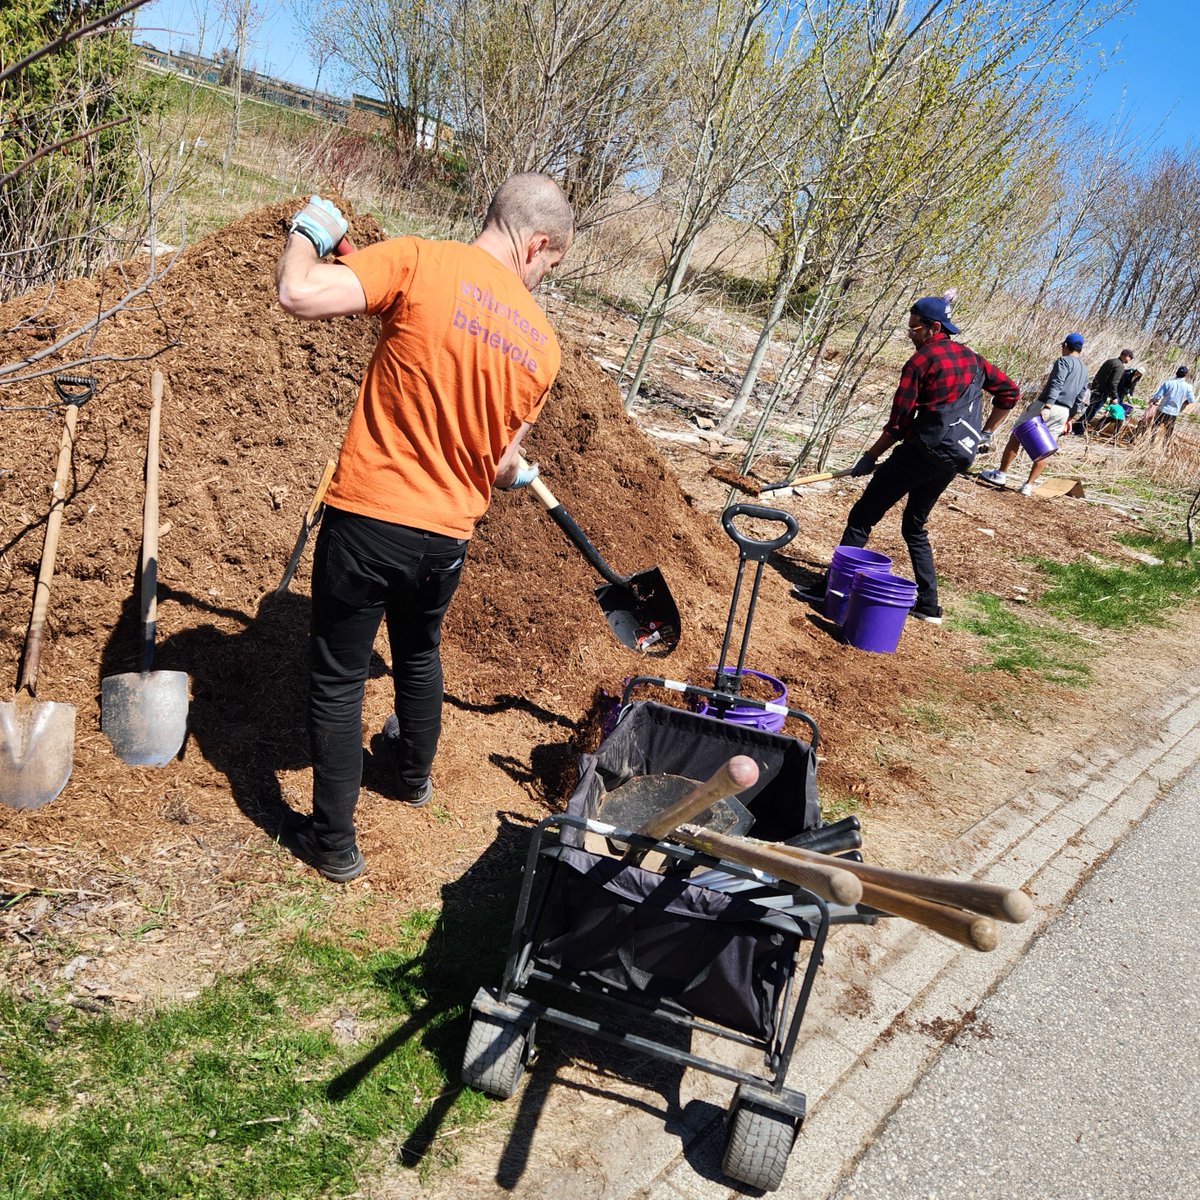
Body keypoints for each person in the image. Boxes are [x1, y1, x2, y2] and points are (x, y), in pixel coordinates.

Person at [274, 175, 575, 881]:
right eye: (550, 264)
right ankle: (410, 778)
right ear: (537, 243)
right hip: (446, 537)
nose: (542, 277)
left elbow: (299, 292)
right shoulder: (542, 344)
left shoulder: (418, 261)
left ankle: (333, 844)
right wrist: (518, 471)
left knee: (340, 679)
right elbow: (500, 465)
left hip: (371, 517)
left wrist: (307, 234)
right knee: (417, 652)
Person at [823, 295, 1020, 625]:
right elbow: (1010, 393)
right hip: (953, 457)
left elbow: (899, 424)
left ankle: (832, 592)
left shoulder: (920, 362)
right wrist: (985, 433)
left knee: (862, 516)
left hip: (920, 451)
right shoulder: (973, 359)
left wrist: (870, 457)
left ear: (934, 328)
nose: (910, 334)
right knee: (914, 525)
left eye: (914, 328)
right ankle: (928, 606)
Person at [979, 333, 1087, 496]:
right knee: (1046, 447)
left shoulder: (1064, 361)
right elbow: (1081, 395)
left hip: (1047, 405)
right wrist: (1070, 417)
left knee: (1017, 435)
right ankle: (1028, 486)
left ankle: (1001, 474)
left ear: (1065, 345)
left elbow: (1057, 382)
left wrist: (1048, 405)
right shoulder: (1084, 369)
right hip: (1064, 411)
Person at [1081, 347, 1133, 427]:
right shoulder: (1120, 366)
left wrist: (1094, 386)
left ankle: (1078, 427)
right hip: (1102, 392)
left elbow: (1098, 374)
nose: (1130, 360)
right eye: (1130, 358)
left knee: (1089, 411)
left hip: (1096, 389)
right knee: (1091, 412)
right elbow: (1114, 383)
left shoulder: (1110, 361)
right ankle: (1077, 428)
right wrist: (1114, 396)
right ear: (1126, 355)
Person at [1145, 365, 1196, 449]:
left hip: (1163, 409)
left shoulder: (1168, 383)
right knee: (1168, 432)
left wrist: (1152, 401)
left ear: (1176, 373)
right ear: (1186, 375)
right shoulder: (1188, 387)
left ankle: (1150, 445)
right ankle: (1164, 449)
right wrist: (1185, 402)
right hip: (1174, 413)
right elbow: (1192, 400)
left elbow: (1158, 396)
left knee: (1155, 428)